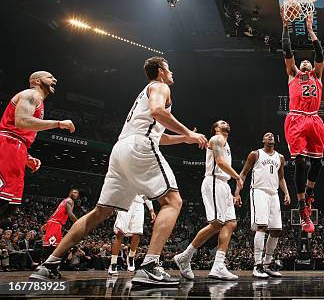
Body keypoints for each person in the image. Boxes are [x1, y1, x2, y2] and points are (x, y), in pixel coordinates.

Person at [30, 56, 207, 285]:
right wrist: (190, 133)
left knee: (100, 212)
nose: (172, 73)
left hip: (121, 149)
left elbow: (158, 135)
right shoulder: (160, 86)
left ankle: (50, 263)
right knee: (173, 201)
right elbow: (157, 112)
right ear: (161, 70)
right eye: (169, 68)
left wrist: (184, 138)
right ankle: (150, 265)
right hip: (139, 146)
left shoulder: (144, 93)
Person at [173, 120, 243, 281]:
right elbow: (219, 162)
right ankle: (185, 256)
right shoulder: (217, 139)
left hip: (223, 184)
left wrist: (230, 189)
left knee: (231, 223)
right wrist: (237, 177)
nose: (226, 123)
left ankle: (218, 266)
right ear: (216, 128)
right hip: (213, 181)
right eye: (222, 122)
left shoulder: (226, 143)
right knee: (218, 222)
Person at [0, 71, 75, 220]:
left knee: (10, 207)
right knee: (2, 200)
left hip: (17, 147)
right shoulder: (31, 94)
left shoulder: (39, 101)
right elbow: (21, 121)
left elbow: (21, 132)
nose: (55, 79)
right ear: (36, 81)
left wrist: (26, 157)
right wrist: (58, 124)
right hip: (8, 144)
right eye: (49, 77)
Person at [281, 13, 324, 233]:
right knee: (300, 163)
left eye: (308, 61)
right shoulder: (293, 74)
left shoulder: (317, 74)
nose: (306, 61)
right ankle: (301, 206)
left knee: (317, 163)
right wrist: (285, 26)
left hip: (315, 118)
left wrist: (310, 30)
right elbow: (287, 50)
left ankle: (309, 195)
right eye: (303, 61)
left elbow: (320, 53)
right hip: (297, 118)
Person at [233, 132, 291, 278]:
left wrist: (286, 193)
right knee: (262, 227)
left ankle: (266, 264)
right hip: (259, 192)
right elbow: (243, 173)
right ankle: (257, 265)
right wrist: (237, 193)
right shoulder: (255, 154)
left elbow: (281, 177)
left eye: (272, 135)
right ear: (263, 140)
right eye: (267, 135)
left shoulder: (280, 157)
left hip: (274, 193)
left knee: (277, 230)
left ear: (275, 141)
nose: (270, 136)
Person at [108, 195, 156, 275]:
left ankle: (131, 257)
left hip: (139, 205)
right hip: (125, 201)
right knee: (120, 233)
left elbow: (146, 193)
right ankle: (113, 263)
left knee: (137, 233)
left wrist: (151, 209)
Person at [41, 189, 80, 261]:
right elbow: (70, 214)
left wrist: (48, 223)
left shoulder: (65, 200)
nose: (76, 194)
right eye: (74, 192)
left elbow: (57, 213)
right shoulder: (69, 201)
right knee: (51, 246)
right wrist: (79, 222)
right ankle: (44, 265)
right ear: (70, 193)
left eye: (77, 193)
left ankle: (48, 265)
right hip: (55, 223)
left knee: (53, 246)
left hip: (53, 223)